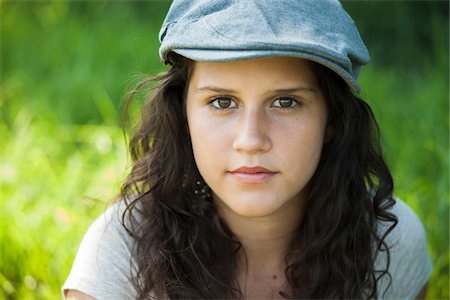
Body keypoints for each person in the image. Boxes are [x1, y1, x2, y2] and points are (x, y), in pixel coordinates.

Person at [63, 1, 433, 299]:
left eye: (286, 102)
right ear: (183, 114)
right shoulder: (121, 256)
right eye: (222, 102)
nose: (251, 139)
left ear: (332, 120)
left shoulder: (389, 241)